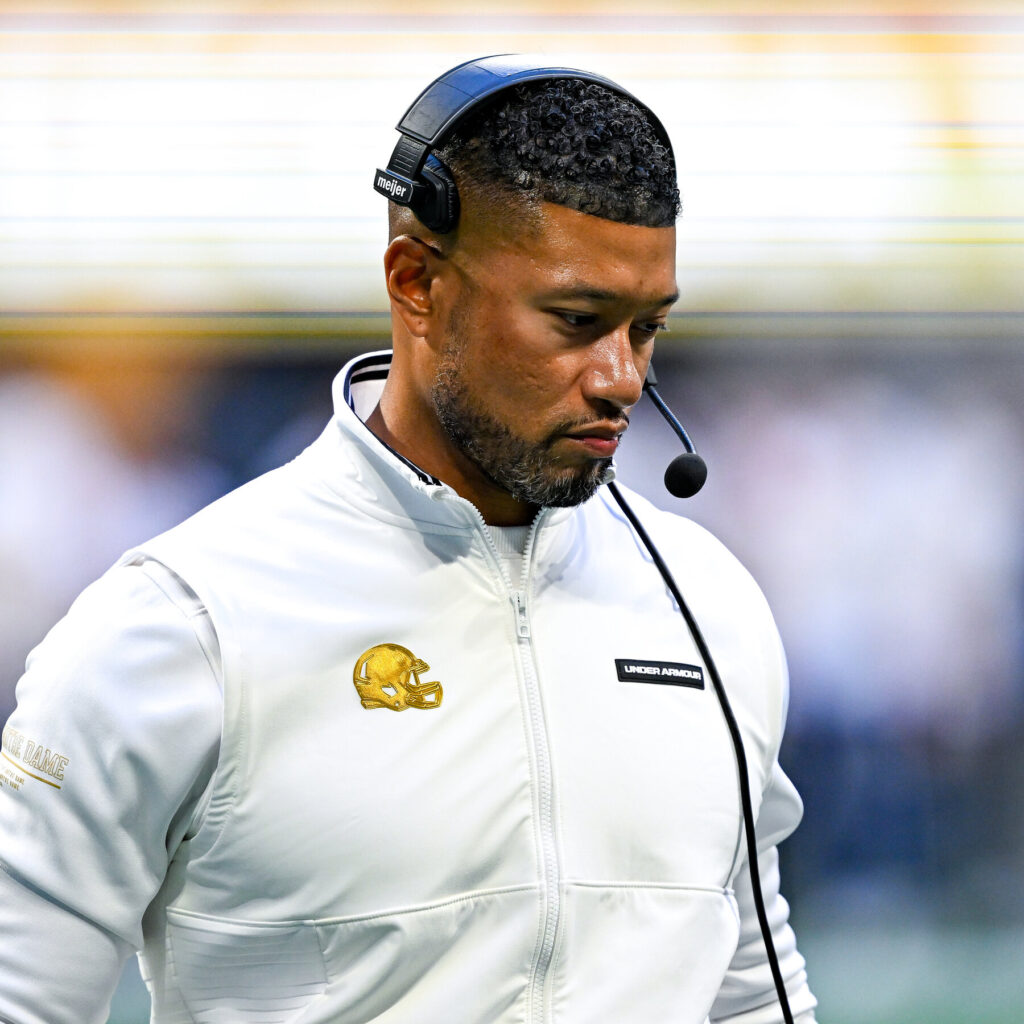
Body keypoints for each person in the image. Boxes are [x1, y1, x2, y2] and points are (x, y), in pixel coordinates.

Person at [0, 57, 818, 1023]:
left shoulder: (707, 605)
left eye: (647, 329)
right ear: (416, 283)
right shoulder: (184, 620)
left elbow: (750, 990)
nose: (620, 379)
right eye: (576, 321)